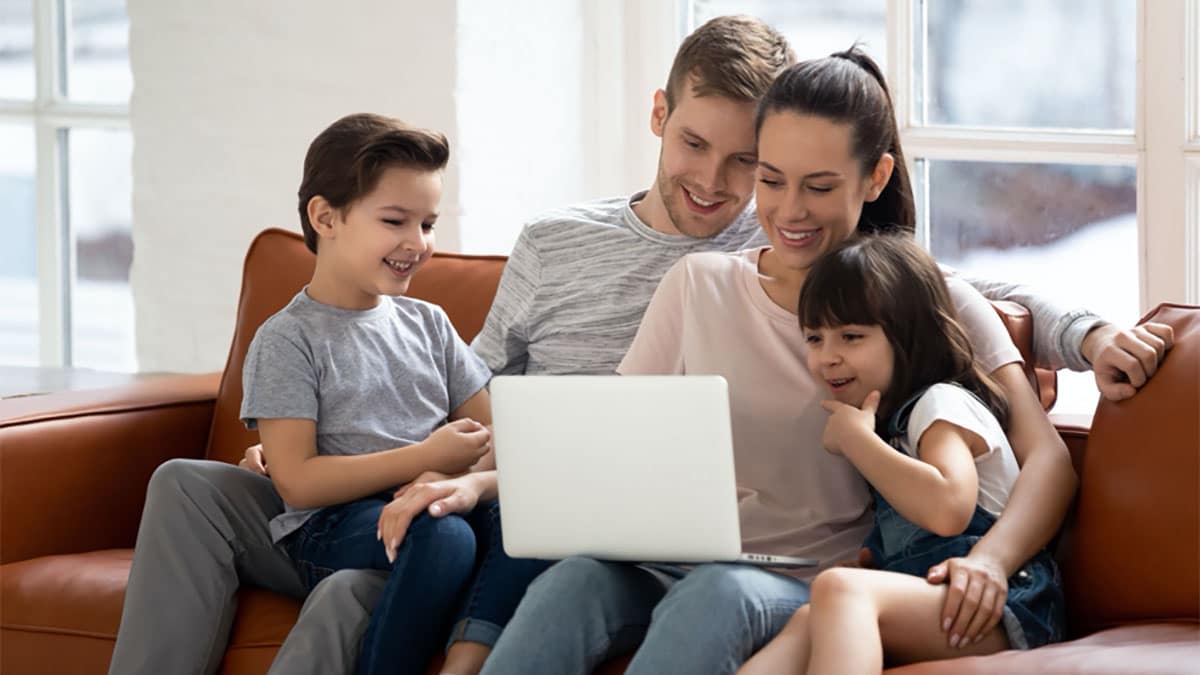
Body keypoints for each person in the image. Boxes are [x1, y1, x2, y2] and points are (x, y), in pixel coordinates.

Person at [477, 47, 1170, 675]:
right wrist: (485, 481)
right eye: (771, 179)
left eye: (818, 185)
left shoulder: (927, 300)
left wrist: (991, 559)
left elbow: (1045, 459)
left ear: (876, 178)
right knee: (571, 580)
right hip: (668, 556)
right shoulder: (699, 283)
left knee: (721, 590)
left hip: (806, 575)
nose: (788, 210)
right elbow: (614, 434)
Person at [109, 113, 498, 675]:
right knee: (182, 480)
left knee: (412, 550)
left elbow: (490, 439)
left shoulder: (429, 325)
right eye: (395, 220)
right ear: (325, 217)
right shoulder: (288, 338)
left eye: (429, 224)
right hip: (328, 527)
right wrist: (426, 457)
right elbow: (298, 481)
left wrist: (445, 478)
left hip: (407, 527)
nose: (417, 243)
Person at [740, 233, 1063, 675]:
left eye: (851, 336)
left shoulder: (940, 405)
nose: (827, 357)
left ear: (909, 337)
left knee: (840, 589)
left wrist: (858, 442)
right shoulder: (894, 427)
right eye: (815, 338)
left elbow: (949, 508)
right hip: (941, 596)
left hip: (1004, 605)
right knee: (807, 619)